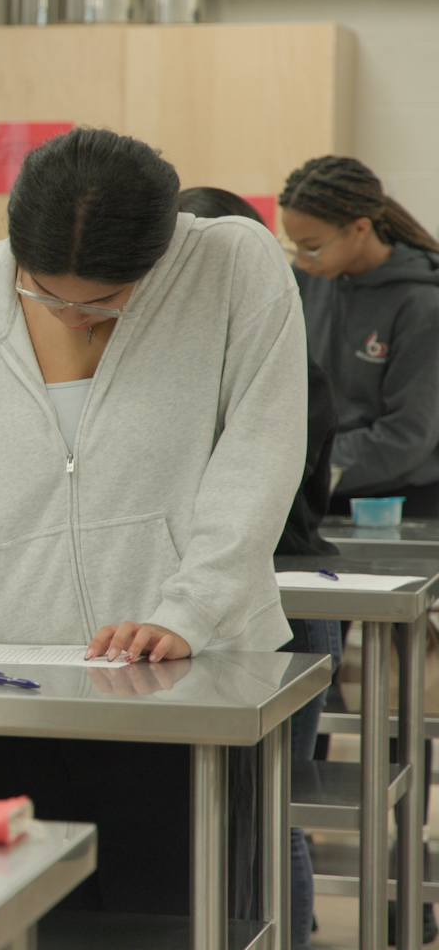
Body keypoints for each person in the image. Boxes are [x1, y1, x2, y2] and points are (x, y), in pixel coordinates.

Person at [0, 128, 304, 916]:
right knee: (12, 921)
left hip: (181, 680)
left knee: (170, 918)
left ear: (160, 254)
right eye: (47, 294)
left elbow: (259, 460)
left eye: (104, 302)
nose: (72, 317)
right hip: (10, 681)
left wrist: (186, 613)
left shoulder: (234, 271)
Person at [181, 183, 339, 950]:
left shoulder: (287, 369)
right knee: (216, 818)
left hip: (281, 608)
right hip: (203, 616)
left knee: (269, 816)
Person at [280, 155, 439, 516]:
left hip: (397, 504)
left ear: (360, 228)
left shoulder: (422, 302)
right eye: (294, 245)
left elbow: (407, 436)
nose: (302, 260)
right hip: (314, 488)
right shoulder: (307, 279)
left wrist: (301, 463)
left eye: (312, 246)